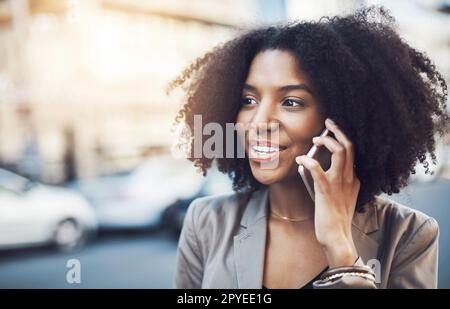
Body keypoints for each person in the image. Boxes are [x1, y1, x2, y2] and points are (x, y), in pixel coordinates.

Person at [169, 6, 448, 289]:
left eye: (291, 102)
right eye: (248, 100)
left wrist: (340, 248)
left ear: (342, 117)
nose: (259, 122)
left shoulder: (409, 234)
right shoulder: (205, 221)